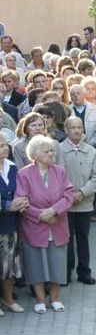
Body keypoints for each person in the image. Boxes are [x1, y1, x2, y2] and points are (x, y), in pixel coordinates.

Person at [16, 135, 75, 314]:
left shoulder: (60, 171)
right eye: (46, 151)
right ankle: (40, 300)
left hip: (57, 223)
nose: (51, 154)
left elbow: (69, 195)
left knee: (57, 262)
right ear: (34, 154)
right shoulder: (23, 174)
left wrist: (54, 211)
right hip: (34, 225)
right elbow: (21, 200)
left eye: (52, 151)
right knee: (35, 263)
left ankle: (55, 298)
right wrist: (42, 215)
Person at [60, 117, 96, 285]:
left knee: (83, 238)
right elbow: (57, 177)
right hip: (66, 205)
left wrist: (82, 193)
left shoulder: (91, 151)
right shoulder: (59, 151)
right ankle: (66, 272)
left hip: (84, 204)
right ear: (66, 130)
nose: (77, 131)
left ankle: (84, 271)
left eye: (79, 127)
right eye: (73, 127)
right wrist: (70, 195)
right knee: (67, 239)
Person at [0, 133, 27, 315]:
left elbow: (20, 189)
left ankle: (8, 300)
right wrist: (8, 205)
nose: (5, 148)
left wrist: (22, 201)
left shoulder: (11, 167)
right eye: (0, 145)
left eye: (5, 144)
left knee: (7, 264)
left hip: (9, 225)